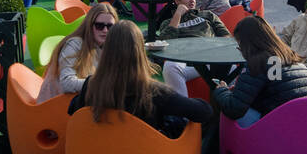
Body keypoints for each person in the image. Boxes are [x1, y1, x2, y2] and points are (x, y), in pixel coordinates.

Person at [67, 21, 213, 138]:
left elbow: (74, 111)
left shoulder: (91, 85)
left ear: (107, 51)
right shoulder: (154, 92)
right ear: (139, 52)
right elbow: (204, 111)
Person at [212, 16, 307, 129]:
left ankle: (217, 144)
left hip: (274, 128)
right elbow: (276, 89)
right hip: (303, 123)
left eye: (240, 45)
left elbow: (234, 110)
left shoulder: (258, 63)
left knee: (225, 108)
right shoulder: (290, 57)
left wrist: (221, 90)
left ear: (247, 44)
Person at [157, 0, 230, 97]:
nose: (192, 0)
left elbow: (226, 36)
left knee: (234, 66)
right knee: (169, 66)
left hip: (209, 59)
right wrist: (178, 14)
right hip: (186, 63)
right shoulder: (168, 23)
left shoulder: (207, 15)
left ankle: (225, 108)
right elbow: (165, 42)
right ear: (177, 1)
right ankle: (183, 110)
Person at [39, 2, 117, 101]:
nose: (105, 30)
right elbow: (67, 83)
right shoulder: (75, 44)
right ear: (89, 25)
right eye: (99, 26)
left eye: (110, 27)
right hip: (56, 105)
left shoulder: (107, 46)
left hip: (79, 102)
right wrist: (101, 83)